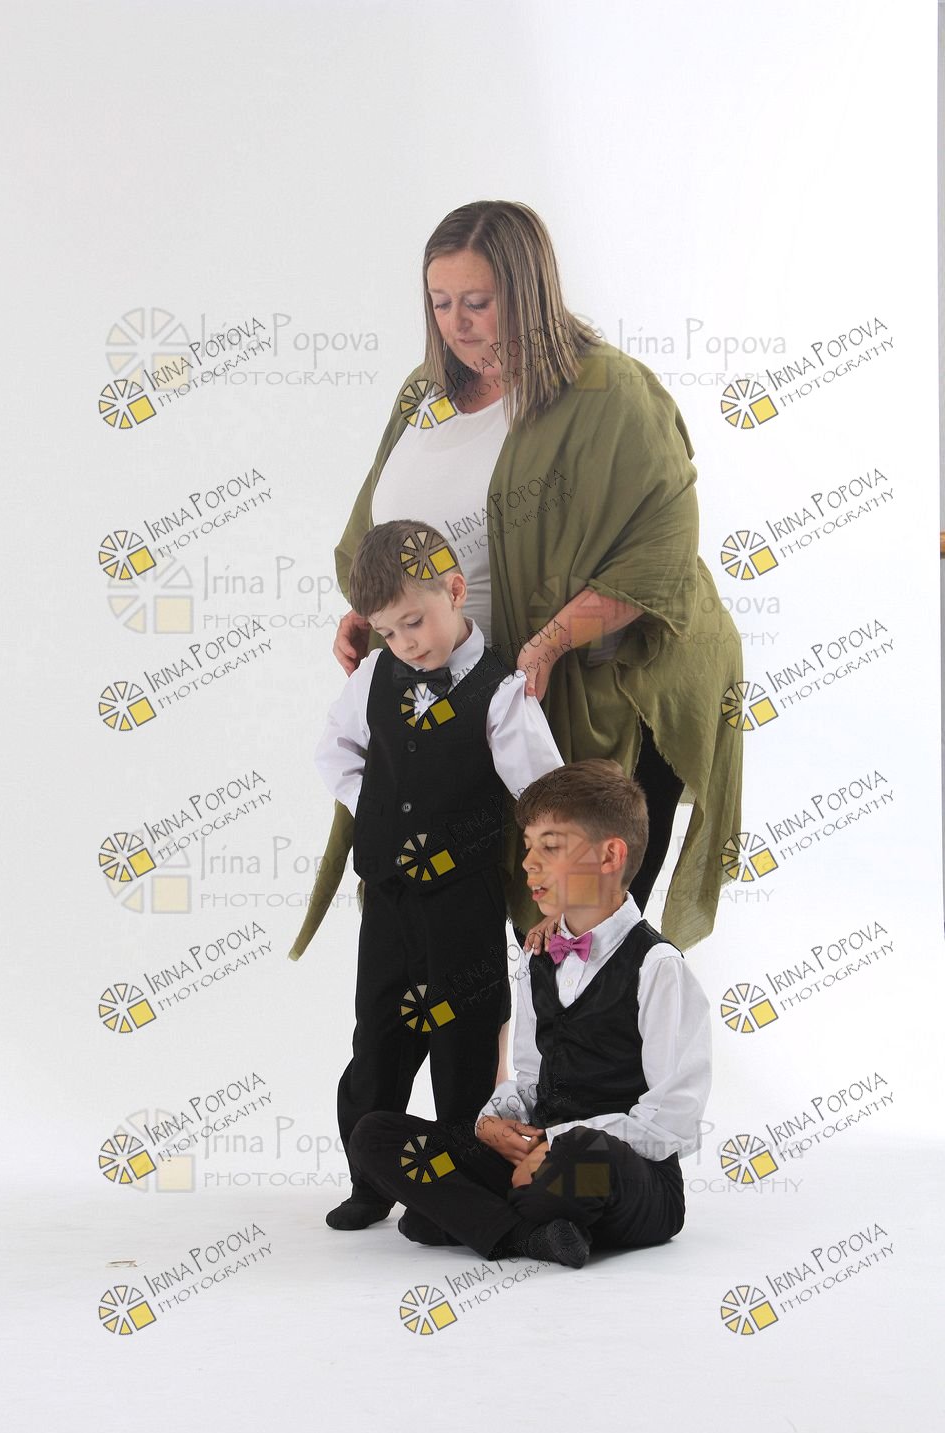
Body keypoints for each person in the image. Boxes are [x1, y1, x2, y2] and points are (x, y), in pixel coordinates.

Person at [289, 199, 742, 978]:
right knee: (463, 911)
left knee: (580, 927)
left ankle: (603, 1052)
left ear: (527, 292)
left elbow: (659, 551)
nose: (456, 324)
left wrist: (551, 640)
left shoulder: (607, 393)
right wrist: (372, 612)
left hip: (603, 683)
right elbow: (383, 526)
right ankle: (501, 1056)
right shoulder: (423, 392)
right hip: (464, 687)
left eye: (478, 301)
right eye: (440, 302)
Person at [347, 759, 712, 1267]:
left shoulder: (657, 966)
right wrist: (493, 1123)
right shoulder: (538, 956)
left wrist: (556, 1144)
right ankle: (531, 1234)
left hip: (626, 1173)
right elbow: (529, 1078)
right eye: (527, 847)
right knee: (375, 1135)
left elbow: (674, 1120)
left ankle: (465, 1215)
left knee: (577, 1162)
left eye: (551, 847)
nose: (529, 864)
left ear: (610, 855)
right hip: (537, 1158)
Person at [314, 519, 564, 1230]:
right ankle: (372, 1181)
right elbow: (335, 751)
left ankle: (453, 1186)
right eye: (388, 632)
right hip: (390, 899)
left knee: (464, 1042)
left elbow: (542, 793)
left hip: (462, 900)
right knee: (379, 1035)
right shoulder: (375, 676)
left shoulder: (503, 693)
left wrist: (553, 889)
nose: (405, 643)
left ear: (455, 592)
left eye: (415, 622)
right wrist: (378, 813)